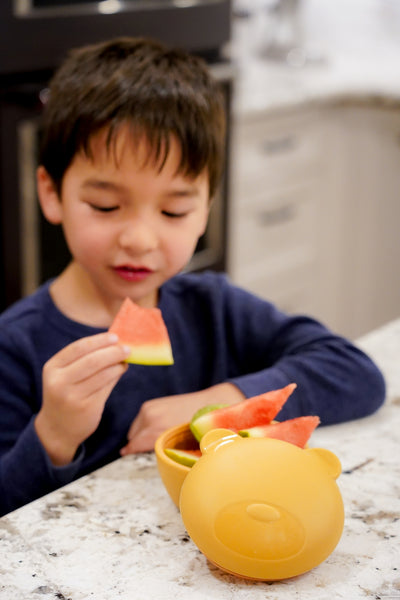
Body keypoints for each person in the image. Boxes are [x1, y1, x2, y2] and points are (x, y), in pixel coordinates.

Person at [0, 37, 385, 517]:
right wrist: (53, 437)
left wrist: (223, 402)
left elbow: (356, 373)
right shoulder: (15, 344)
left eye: (174, 209)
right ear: (51, 193)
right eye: (105, 206)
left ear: (206, 210)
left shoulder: (214, 307)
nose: (140, 238)